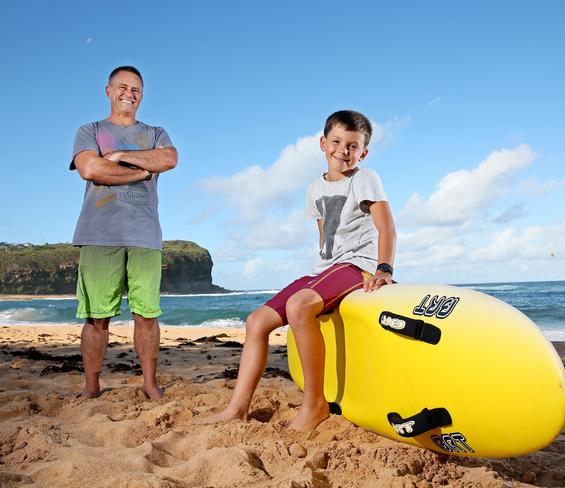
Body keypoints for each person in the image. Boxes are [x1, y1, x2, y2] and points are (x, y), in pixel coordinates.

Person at [198, 110, 396, 431]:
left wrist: (383, 269)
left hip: (355, 267)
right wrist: (318, 280)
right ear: (322, 143)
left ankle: (315, 405)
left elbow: (387, 228)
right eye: (336, 142)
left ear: (363, 152)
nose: (343, 151)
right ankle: (237, 408)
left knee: (299, 305)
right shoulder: (313, 189)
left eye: (352, 145)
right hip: (325, 269)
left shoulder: (365, 179)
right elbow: (324, 237)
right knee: (256, 322)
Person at [70, 66, 178, 400]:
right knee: (96, 317)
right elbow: (89, 168)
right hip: (100, 233)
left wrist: (117, 158)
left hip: (145, 234)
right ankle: (91, 387)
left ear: (142, 95)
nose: (129, 94)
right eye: (122, 87)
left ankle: (149, 383)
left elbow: (169, 158)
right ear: (108, 91)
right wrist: (139, 172)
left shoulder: (156, 132)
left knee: (147, 314)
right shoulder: (89, 130)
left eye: (136, 89)